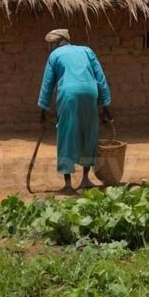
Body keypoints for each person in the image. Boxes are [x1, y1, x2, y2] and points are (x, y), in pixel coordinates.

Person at [36, 28, 113, 193]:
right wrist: (105, 105)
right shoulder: (86, 50)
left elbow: (47, 83)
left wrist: (43, 110)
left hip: (69, 94)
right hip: (90, 93)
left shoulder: (55, 55)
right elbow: (100, 78)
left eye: (50, 45)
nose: (49, 48)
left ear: (57, 42)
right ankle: (85, 179)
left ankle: (68, 184)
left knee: (67, 134)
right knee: (88, 133)